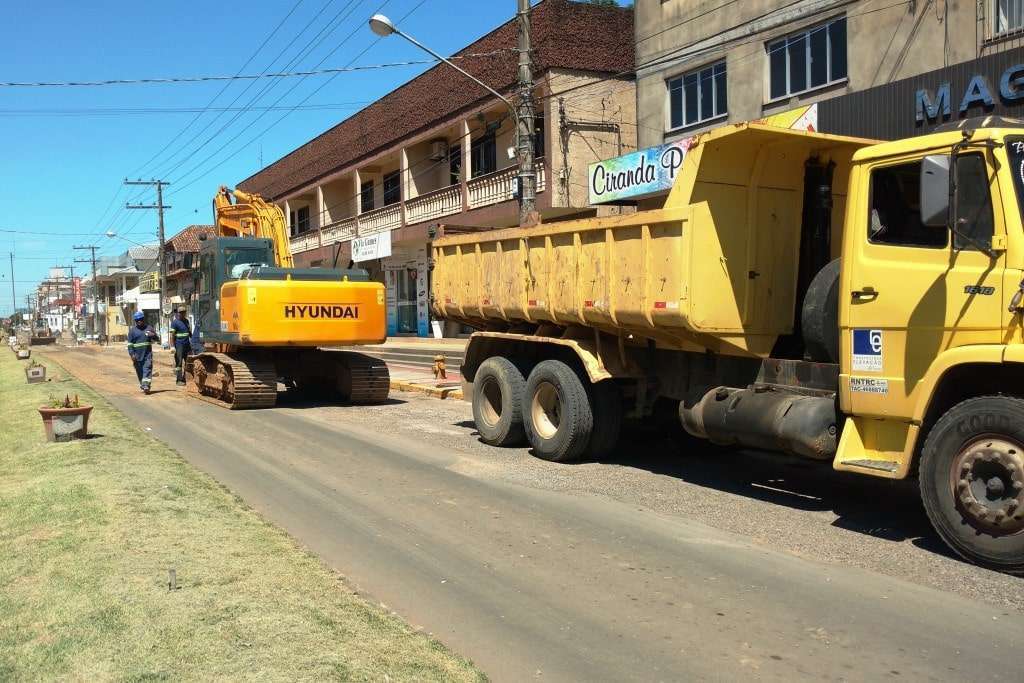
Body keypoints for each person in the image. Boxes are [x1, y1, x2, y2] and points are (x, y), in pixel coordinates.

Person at [127, 311, 157, 394]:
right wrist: (132, 354)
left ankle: (146, 385)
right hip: (137, 355)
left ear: (143, 319)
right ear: (135, 321)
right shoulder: (132, 331)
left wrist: (153, 335)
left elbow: (157, 339)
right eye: (137, 320)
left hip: (147, 354)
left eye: (140, 319)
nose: (139, 321)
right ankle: (143, 384)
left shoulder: (149, 328)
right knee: (139, 371)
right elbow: (130, 344)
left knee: (147, 368)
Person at [170, 307, 192, 386]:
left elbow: (189, 332)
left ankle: (185, 378)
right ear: (178, 313)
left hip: (187, 345)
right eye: (181, 312)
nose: (183, 314)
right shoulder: (175, 323)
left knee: (188, 362)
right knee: (179, 363)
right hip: (179, 345)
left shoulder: (186, 321)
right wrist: (172, 346)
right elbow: (172, 335)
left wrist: (193, 340)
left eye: (184, 312)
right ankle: (179, 380)